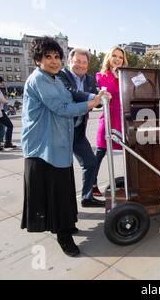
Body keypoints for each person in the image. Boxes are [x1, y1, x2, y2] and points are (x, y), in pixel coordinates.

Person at [20, 37, 109, 257]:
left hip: (58, 144)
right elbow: (62, 107)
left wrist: (93, 96)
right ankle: (63, 236)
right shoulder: (39, 79)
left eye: (56, 56)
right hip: (43, 147)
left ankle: (66, 225)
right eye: (47, 57)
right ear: (38, 59)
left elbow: (70, 95)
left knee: (64, 189)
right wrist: (91, 103)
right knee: (56, 193)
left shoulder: (54, 79)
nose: (53, 61)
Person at [58, 48, 105, 208]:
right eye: (77, 61)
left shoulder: (90, 80)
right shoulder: (60, 75)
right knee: (61, 170)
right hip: (60, 131)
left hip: (77, 131)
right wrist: (94, 97)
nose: (81, 65)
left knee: (90, 162)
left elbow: (91, 105)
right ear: (69, 62)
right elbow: (70, 93)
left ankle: (87, 197)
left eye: (84, 62)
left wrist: (101, 97)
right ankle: (62, 206)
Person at [93, 46, 128, 195]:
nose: (117, 59)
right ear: (109, 57)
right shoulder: (101, 75)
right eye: (114, 56)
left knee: (129, 151)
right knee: (100, 151)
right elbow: (107, 93)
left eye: (121, 57)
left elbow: (143, 85)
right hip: (108, 117)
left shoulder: (127, 75)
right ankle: (92, 184)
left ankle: (130, 182)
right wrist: (115, 75)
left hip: (125, 118)